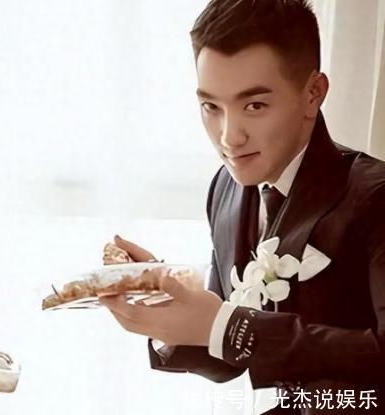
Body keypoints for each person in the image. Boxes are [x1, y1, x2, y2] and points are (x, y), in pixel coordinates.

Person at [100, 1, 385, 413]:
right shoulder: (226, 189)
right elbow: (228, 356)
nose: (229, 137)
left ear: (313, 93)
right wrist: (169, 310)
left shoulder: (375, 197)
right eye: (211, 107)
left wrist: (226, 325)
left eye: (254, 106)